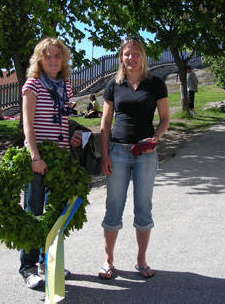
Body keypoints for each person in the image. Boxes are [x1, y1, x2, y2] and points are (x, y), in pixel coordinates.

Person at [99, 38, 170, 280]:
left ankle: (141, 259)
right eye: (127, 54)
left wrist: (155, 139)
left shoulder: (156, 84)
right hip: (117, 152)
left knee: (143, 208)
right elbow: (106, 123)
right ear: (121, 57)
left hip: (145, 154)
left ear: (143, 56)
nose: (131, 58)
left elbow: (165, 119)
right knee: (114, 207)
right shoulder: (114, 85)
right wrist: (105, 154)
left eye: (136, 53)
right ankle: (108, 260)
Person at [20, 37, 82, 289]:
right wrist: (35, 156)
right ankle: (28, 268)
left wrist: (73, 137)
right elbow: (28, 124)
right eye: (48, 56)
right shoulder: (32, 85)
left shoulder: (65, 86)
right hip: (38, 157)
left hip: (61, 158)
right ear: (40, 60)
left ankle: (49, 262)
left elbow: (62, 121)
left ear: (63, 59)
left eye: (58, 56)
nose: (53, 60)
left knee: (56, 213)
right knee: (33, 212)